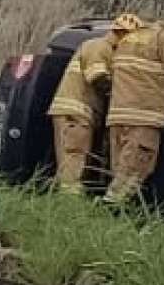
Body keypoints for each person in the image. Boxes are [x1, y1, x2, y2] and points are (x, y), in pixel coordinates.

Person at [99, 9, 164, 207]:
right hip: (144, 117)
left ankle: (114, 216)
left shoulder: (130, 38)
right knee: (133, 173)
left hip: (118, 115)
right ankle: (109, 210)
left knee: (120, 170)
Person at [44, 16, 122, 193]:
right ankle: (70, 203)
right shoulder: (99, 46)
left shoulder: (98, 46)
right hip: (77, 112)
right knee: (74, 158)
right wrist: (119, 94)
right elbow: (97, 77)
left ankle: (65, 195)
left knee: (71, 158)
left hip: (75, 111)